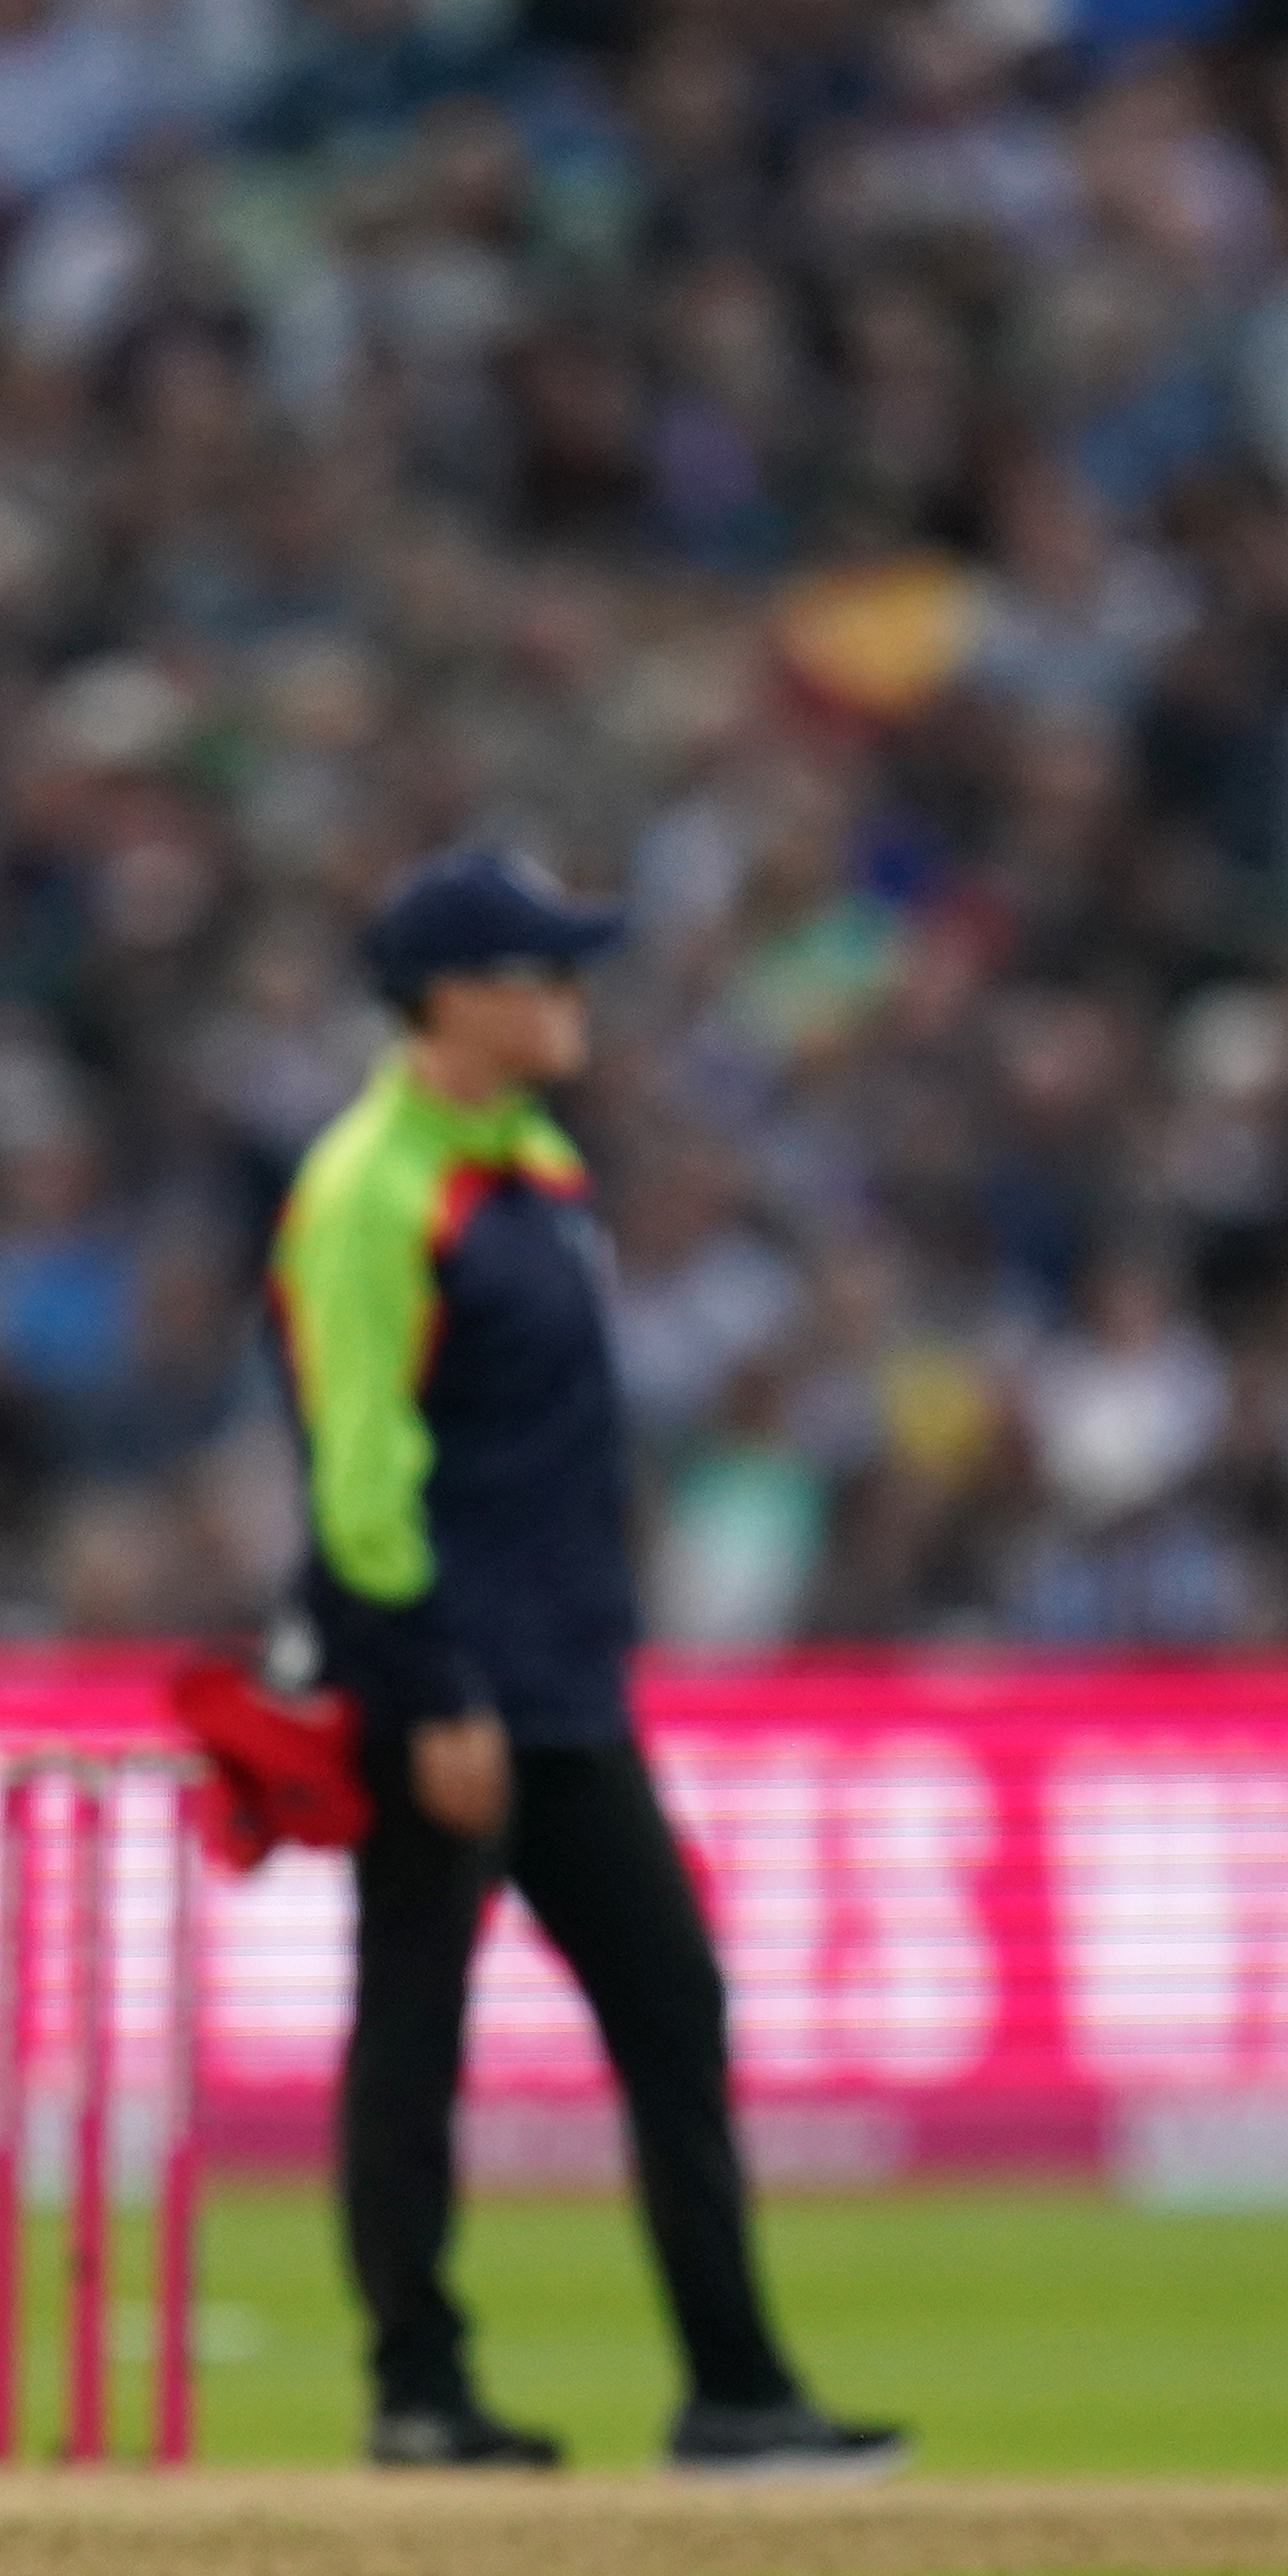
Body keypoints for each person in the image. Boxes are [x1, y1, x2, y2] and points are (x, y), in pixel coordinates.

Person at [270, 848, 903, 2481]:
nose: (570, 997)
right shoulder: (371, 1186)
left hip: (562, 1676)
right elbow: (358, 1463)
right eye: (539, 971)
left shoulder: (537, 1165)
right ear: (447, 1000)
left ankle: (735, 2390)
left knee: (669, 2000)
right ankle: (418, 2388)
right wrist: (427, 1688)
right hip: (445, 1681)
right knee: (415, 2024)